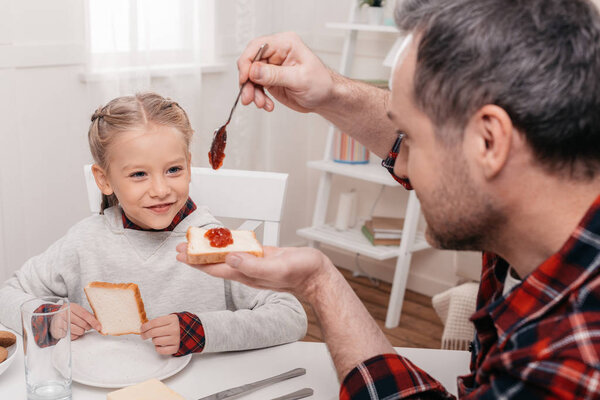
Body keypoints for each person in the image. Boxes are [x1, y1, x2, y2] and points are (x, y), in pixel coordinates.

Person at [177, 0, 600, 397]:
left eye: (411, 140)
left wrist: (320, 284)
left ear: (489, 142)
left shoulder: (571, 364)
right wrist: (332, 93)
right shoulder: (536, 204)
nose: (399, 166)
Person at [0, 92, 307, 356]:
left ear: (188, 164)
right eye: (139, 174)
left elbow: (291, 316)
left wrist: (200, 331)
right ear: (104, 179)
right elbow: (9, 294)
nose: (160, 189)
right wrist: (49, 319)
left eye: (173, 169)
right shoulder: (84, 241)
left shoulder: (214, 241)